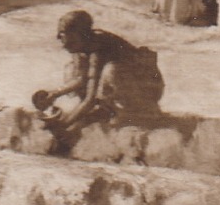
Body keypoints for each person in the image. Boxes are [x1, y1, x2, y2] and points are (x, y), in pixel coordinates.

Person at [32, 10, 165, 154]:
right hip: (119, 88)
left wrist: (64, 124)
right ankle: (96, 116)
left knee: (111, 71)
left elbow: (90, 98)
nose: (58, 37)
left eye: (63, 32)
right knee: (71, 70)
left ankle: (125, 112)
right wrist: (55, 94)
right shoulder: (81, 47)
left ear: (78, 33)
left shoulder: (98, 47)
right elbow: (81, 79)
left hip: (146, 89)